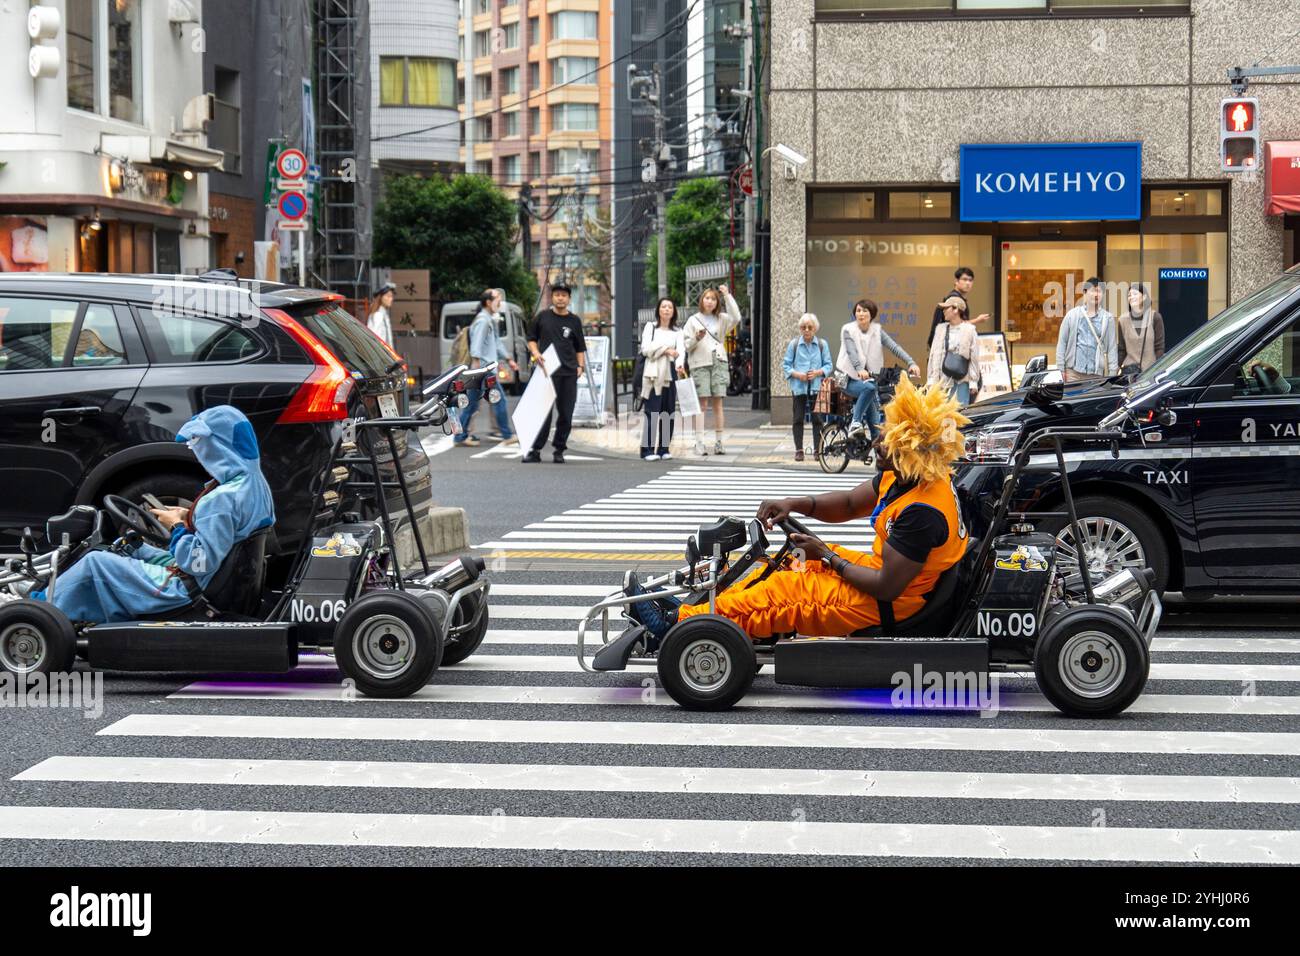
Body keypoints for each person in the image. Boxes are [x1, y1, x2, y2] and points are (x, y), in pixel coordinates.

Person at [622, 380, 969, 644]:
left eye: (889, 442)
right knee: (791, 560)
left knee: (786, 593)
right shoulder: (905, 475)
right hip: (884, 577)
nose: (877, 443)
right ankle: (698, 615)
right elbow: (849, 503)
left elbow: (885, 588)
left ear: (914, 453)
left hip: (894, 601)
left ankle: (677, 627)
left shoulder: (923, 511)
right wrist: (793, 504)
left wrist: (829, 557)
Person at [23, 406, 275, 623]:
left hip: (192, 590)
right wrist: (189, 515)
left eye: (200, 443)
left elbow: (199, 562)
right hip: (223, 582)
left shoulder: (220, 499)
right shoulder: (253, 485)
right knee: (136, 549)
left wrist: (177, 526)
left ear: (219, 446)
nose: (196, 450)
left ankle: (37, 610)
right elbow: (229, 527)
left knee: (96, 562)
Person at [838, 299, 921, 439]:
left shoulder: (877, 332)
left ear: (872, 314)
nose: (861, 314)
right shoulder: (848, 330)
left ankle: (878, 459)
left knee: (876, 428)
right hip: (848, 379)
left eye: (865, 310)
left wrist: (911, 362)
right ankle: (855, 422)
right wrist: (859, 368)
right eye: (858, 310)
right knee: (869, 389)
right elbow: (852, 352)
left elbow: (894, 347)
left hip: (866, 380)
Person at [523, 283, 587, 464]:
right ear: (552, 297)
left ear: (569, 299)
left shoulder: (575, 321)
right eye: (557, 294)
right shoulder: (542, 317)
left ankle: (559, 449)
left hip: (568, 373)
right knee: (543, 414)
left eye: (564, 295)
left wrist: (580, 367)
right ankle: (535, 450)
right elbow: (531, 339)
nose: (560, 298)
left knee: (566, 413)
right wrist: (536, 353)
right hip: (546, 372)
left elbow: (580, 347)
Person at [678, 284, 742, 456]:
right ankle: (699, 442)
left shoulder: (721, 318)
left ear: (717, 302)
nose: (710, 301)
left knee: (718, 404)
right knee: (702, 405)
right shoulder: (692, 320)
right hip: (699, 363)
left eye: (714, 299)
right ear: (701, 300)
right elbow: (686, 345)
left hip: (718, 362)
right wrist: (696, 338)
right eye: (707, 298)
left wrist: (727, 295)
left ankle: (719, 442)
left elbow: (736, 317)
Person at [456, 288, 519, 448]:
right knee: (499, 401)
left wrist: (509, 359)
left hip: (482, 369)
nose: (500, 302)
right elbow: (476, 345)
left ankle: (459, 437)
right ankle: (506, 434)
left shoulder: (488, 319)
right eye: (497, 299)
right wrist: (477, 366)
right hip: (484, 369)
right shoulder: (483, 321)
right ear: (488, 302)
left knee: (471, 404)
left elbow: (496, 343)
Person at [782, 313, 833, 462]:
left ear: (815, 328)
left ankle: (818, 450)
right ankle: (799, 450)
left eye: (810, 327)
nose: (806, 330)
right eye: (803, 327)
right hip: (799, 387)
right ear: (800, 329)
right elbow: (786, 365)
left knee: (817, 419)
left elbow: (828, 365)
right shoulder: (794, 344)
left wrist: (817, 372)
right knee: (798, 418)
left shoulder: (822, 344)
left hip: (816, 386)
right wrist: (798, 375)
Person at [640, 297, 683, 461]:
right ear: (658, 310)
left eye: (670, 307)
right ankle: (647, 450)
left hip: (670, 372)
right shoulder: (650, 327)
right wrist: (666, 350)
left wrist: (679, 364)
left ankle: (663, 448)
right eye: (663, 306)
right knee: (652, 411)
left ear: (674, 311)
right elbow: (645, 349)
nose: (666, 310)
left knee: (668, 410)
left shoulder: (678, 331)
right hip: (653, 372)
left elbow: (680, 352)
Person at [1056, 277, 1118, 383]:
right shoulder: (1072, 315)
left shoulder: (1108, 318)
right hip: (1073, 374)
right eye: (1093, 290)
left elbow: (1112, 347)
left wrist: (1112, 373)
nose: (1096, 294)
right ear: (1085, 292)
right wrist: (1060, 370)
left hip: (1096, 375)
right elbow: (1062, 343)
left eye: (1099, 291)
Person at [927, 295, 980, 406]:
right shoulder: (940, 329)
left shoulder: (969, 330)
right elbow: (933, 355)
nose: (944, 311)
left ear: (956, 309)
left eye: (947, 308)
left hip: (961, 381)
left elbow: (974, 357)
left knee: (959, 416)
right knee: (941, 417)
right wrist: (931, 379)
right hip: (942, 381)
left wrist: (973, 382)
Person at [926, 266, 991, 350]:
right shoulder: (954, 299)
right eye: (964, 279)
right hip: (947, 348)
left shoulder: (958, 298)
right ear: (956, 281)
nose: (968, 283)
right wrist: (978, 320)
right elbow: (956, 326)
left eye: (970, 280)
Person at [1118, 284, 1165, 373]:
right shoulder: (1122, 320)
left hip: (1150, 371)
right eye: (1129, 295)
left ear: (1143, 297)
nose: (1131, 297)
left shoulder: (1155, 317)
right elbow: (1121, 349)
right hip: (1129, 373)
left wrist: (1156, 369)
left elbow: (1159, 348)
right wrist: (1116, 368)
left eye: (1135, 294)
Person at [367, 282, 396, 349]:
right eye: (388, 296)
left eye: (392, 296)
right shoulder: (378, 315)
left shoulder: (382, 313)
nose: (391, 299)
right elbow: (376, 340)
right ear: (380, 297)